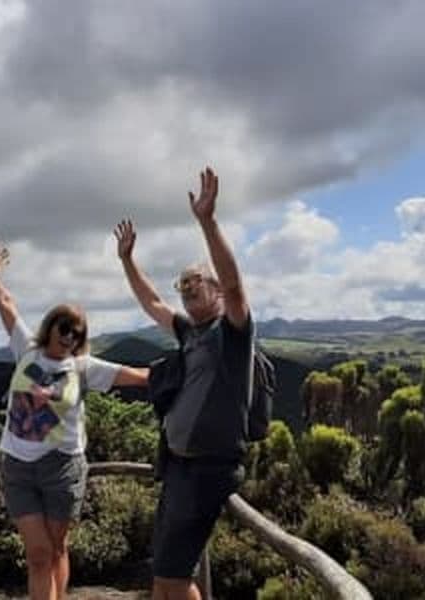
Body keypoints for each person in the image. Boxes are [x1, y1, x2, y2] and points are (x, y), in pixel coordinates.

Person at [0, 240, 148, 600]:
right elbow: (7, 306)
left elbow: (138, 376)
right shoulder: (26, 349)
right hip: (18, 466)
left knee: (56, 548)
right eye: (65, 328)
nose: (71, 337)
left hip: (62, 466)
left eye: (78, 333)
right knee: (38, 553)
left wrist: (192, 366)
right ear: (50, 327)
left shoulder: (84, 368)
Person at [114, 167, 253, 600]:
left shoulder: (232, 332)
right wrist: (127, 260)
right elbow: (152, 301)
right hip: (178, 467)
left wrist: (207, 222)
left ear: (216, 292)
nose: (188, 288)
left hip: (206, 471)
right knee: (166, 579)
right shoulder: (189, 333)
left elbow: (234, 284)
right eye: (183, 284)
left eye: (197, 282)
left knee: (171, 581)